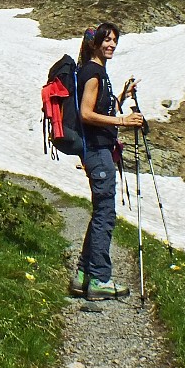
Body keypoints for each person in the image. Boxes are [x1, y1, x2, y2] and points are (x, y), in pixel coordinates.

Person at [70, 22, 142, 300]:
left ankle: (83, 275)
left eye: (114, 40)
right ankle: (99, 278)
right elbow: (86, 114)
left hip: (97, 150)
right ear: (95, 43)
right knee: (105, 214)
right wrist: (122, 120)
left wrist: (122, 95)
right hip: (98, 152)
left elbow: (99, 106)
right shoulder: (93, 72)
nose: (111, 44)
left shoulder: (94, 71)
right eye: (106, 40)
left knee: (101, 212)